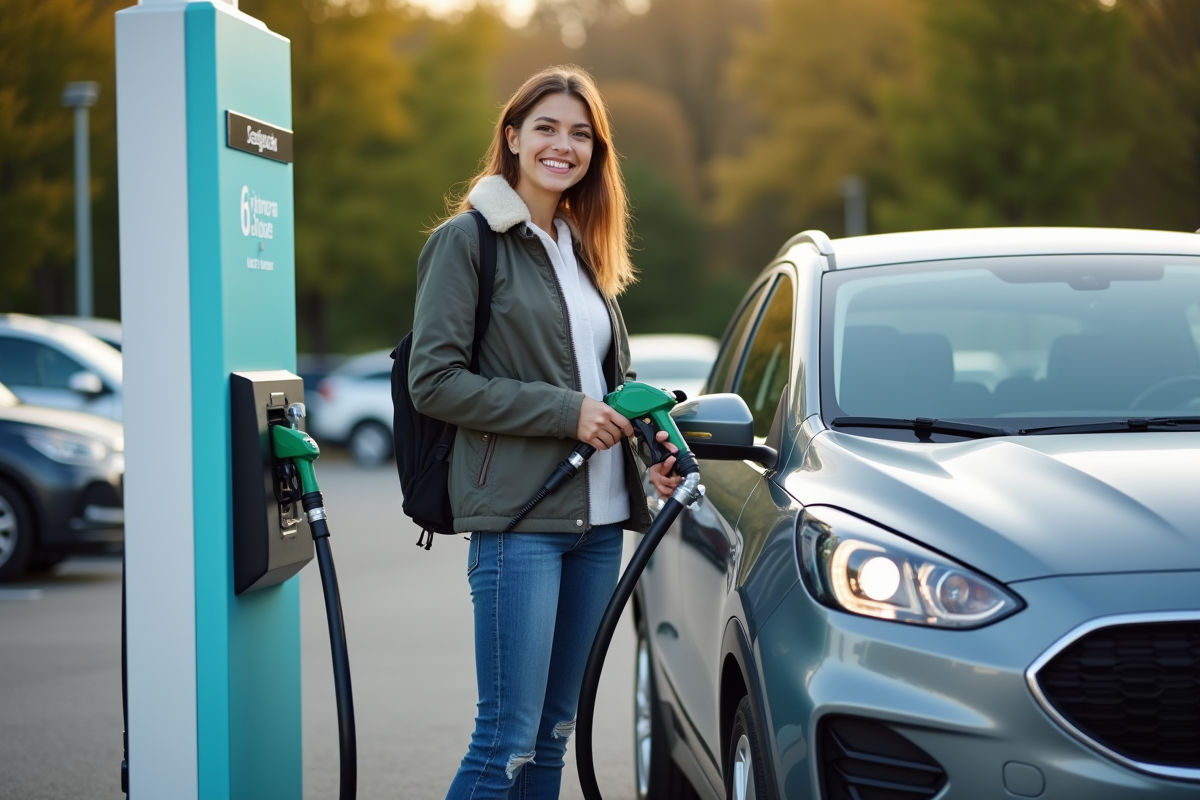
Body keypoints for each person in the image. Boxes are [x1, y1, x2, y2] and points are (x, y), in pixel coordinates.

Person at [407, 65, 681, 799]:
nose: (565, 145)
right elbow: (432, 382)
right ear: (513, 137)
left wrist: (643, 457)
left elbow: (601, 386)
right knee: (505, 741)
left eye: (581, 133)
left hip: (597, 526)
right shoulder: (468, 242)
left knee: (555, 739)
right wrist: (567, 413)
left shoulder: (579, 249)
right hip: (521, 520)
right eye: (548, 128)